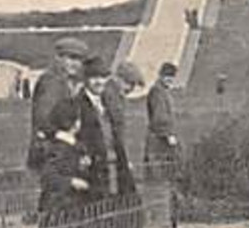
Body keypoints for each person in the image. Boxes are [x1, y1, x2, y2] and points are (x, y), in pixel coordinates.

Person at [27, 37, 88, 174]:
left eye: (79, 59)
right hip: (51, 151)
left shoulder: (66, 82)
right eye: (71, 58)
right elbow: (43, 119)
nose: (76, 64)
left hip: (59, 150)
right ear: (58, 58)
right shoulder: (52, 82)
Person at [79, 55, 136, 199]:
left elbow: (115, 133)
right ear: (85, 80)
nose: (99, 82)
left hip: (109, 166)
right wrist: (81, 154)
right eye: (94, 78)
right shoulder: (77, 104)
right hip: (90, 169)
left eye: (102, 77)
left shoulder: (106, 102)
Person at [145, 61, 181, 180]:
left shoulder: (163, 91)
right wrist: (169, 135)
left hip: (161, 137)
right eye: (166, 76)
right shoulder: (157, 91)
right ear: (160, 75)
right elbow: (159, 117)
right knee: (160, 174)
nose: (169, 79)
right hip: (159, 139)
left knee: (165, 172)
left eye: (171, 76)